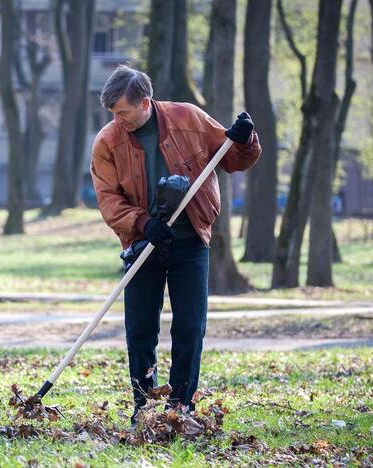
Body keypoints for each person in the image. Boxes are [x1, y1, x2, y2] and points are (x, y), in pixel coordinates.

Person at [90, 65, 261, 423]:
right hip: (142, 244)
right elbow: (108, 200)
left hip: (189, 241)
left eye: (123, 112)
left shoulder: (188, 119)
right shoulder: (108, 141)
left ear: (145, 102)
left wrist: (244, 138)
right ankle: (145, 404)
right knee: (140, 330)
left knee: (189, 325)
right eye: (113, 114)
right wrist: (143, 223)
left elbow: (233, 158)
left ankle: (180, 404)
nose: (118, 120)